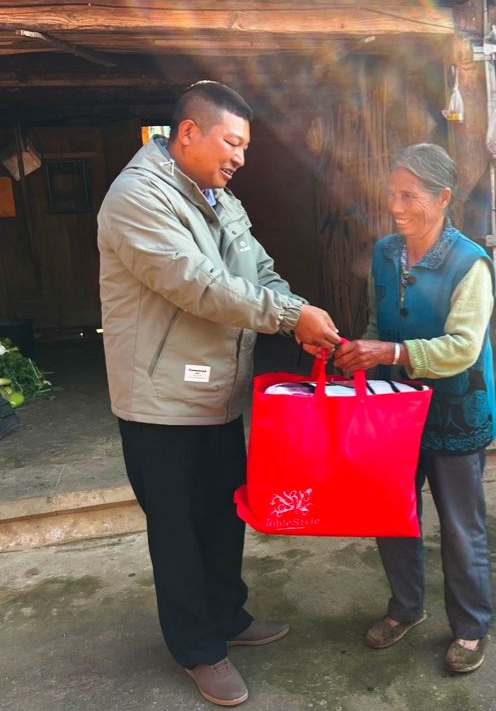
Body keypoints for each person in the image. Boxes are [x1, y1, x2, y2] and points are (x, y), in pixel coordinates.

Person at [97, 80, 340, 706]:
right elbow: (199, 284)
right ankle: (198, 648)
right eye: (232, 143)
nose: (240, 158)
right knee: (178, 531)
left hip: (216, 394)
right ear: (188, 133)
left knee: (222, 514)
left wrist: (296, 309)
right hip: (159, 402)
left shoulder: (218, 196)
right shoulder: (137, 197)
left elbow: (258, 270)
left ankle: (228, 616)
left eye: (245, 146)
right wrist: (291, 318)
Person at [334, 143, 496, 674]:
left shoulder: (470, 263)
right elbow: (379, 323)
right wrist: (358, 357)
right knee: (392, 513)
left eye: (409, 196)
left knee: (460, 526)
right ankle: (406, 608)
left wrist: (392, 353)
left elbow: (463, 348)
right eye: (392, 194)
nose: (396, 206)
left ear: (443, 197)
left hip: (456, 412)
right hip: (394, 413)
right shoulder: (385, 254)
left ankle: (470, 626)